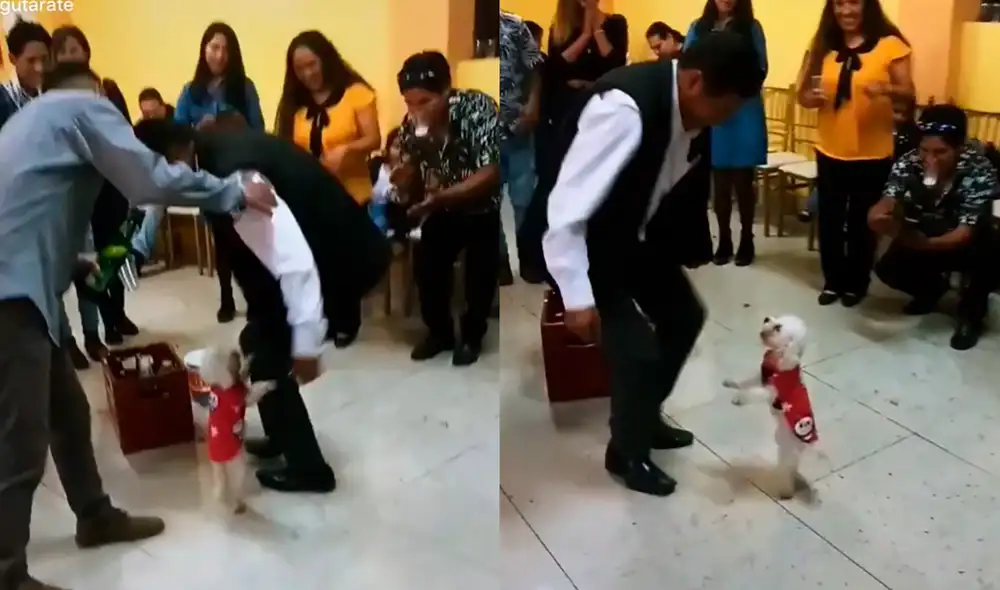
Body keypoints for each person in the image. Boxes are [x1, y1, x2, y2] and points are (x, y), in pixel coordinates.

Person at [0, 61, 276, 590]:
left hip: (30, 285)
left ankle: (94, 515)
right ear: (97, 90)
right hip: (12, 295)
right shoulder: (84, 107)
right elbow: (148, 176)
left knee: (67, 413)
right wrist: (233, 193)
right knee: (20, 439)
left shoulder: (27, 120)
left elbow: (29, 206)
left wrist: (74, 262)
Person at [535, 31, 764, 496]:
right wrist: (577, 296)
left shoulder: (687, 110)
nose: (730, 118)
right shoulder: (623, 111)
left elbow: (659, 181)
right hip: (588, 243)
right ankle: (626, 453)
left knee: (683, 316)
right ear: (697, 82)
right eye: (729, 106)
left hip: (630, 233)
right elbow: (566, 209)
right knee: (636, 351)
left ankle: (642, 418)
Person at [134, 117, 393, 492]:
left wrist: (307, 343)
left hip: (337, 260)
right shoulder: (208, 155)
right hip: (324, 252)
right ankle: (282, 439)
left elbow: (293, 263)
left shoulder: (236, 178)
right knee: (257, 341)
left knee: (270, 356)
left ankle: (310, 470)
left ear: (173, 156)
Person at [798, 0, 914, 307]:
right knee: (831, 220)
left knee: (863, 222)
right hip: (831, 148)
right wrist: (811, 97)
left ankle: (857, 282)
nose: (846, 11)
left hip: (873, 153)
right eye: (839, 4)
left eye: (853, 3)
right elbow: (803, 94)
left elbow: (908, 92)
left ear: (867, 6)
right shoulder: (823, 44)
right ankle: (833, 281)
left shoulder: (891, 45)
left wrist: (885, 90)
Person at [275, 30, 382, 348]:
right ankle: (324, 318)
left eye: (312, 64)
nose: (308, 73)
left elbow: (373, 139)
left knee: (345, 259)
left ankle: (347, 321)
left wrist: (347, 151)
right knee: (317, 258)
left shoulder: (356, 93)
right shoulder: (295, 104)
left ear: (326, 59)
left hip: (351, 191)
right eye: (300, 69)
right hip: (311, 194)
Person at [393, 51, 500, 367]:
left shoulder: (476, 109)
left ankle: (471, 336)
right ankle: (438, 332)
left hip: (482, 206)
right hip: (442, 205)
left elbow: (490, 172)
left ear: (446, 91)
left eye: (424, 102)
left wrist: (441, 197)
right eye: (409, 103)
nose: (415, 112)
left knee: (479, 274)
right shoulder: (411, 125)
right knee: (427, 266)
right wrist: (402, 176)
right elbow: (410, 166)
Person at [869, 105, 1000, 351]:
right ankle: (932, 290)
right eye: (925, 150)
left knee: (988, 253)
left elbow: (964, 232)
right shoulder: (909, 162)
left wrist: (922, 244)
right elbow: (885, 204)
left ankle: (971, 318)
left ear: (959, 148)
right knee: (887, 269)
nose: (930, 159)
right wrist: (881, 217)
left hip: (968, 238)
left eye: (940, 152)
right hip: (925, 229)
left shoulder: (979, 169)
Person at [51, 25, 141, 360]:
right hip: (76, 189)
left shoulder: (107, 89)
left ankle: (116, 315)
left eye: (77, 49)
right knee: (84, 263)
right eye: (64, 51)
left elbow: (125, 132)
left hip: (110, 185)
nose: (72, 56)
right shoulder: (52, 99)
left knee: (113, 253)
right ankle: (87, 334)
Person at [176, 22, 265, 323]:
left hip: (242, 170)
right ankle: (226, 296)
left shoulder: (245, 87)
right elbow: (176, 134)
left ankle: (256, 298)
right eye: (214, 47)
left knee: (249, 237)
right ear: (204, 50)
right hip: (211, 173)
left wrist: (238, 122)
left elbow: (259, 130)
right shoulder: (191, 92)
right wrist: (196, 130)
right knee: (223, 238)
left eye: (227, 49)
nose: (220, 54)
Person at [685, 0, 768, 266]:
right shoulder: (699, 27)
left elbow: (762, 67)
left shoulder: (751, 28)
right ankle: (724, 239)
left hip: (743, 107)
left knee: (744, 182)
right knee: (719, 184)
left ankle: (747, 238)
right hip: (710, 109)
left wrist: (733, 86)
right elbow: (688, 65)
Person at [499, 10, 543, 285]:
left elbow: (535, 67)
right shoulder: (469, 28)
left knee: (524, 198)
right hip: (484, 130)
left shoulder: (514, 25)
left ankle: (529, 260)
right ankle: (500, 264)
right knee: (488, 203)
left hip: (518, 124)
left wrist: (533, 106)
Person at [0, 18, 48, 129]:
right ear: (13, 59)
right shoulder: (3, 99)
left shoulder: (57, 93)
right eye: (31, 60)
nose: (39, 68)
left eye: (44, 59)